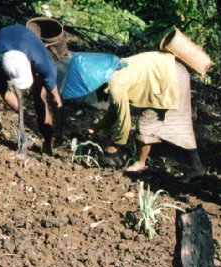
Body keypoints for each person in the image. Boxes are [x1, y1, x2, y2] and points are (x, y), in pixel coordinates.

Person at [88, 51, 205, 180]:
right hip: (172, 70)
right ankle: (197, 167)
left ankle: (140, 164)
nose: (100, 97)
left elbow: (124, 120)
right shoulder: (115, 69)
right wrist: (98, 126)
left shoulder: (116, 85)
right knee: (180, 124)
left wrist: (114, 144)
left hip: (171, 77)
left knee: (145, 123)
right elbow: (115, 109)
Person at [0, 24, 64, 154]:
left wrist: (59, 130)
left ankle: (47, 143)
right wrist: (25, 116)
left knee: (40, 97)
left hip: (28, 43)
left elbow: (56, 98)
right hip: (4, 46)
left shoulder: (42, 61)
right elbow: (4, 91)